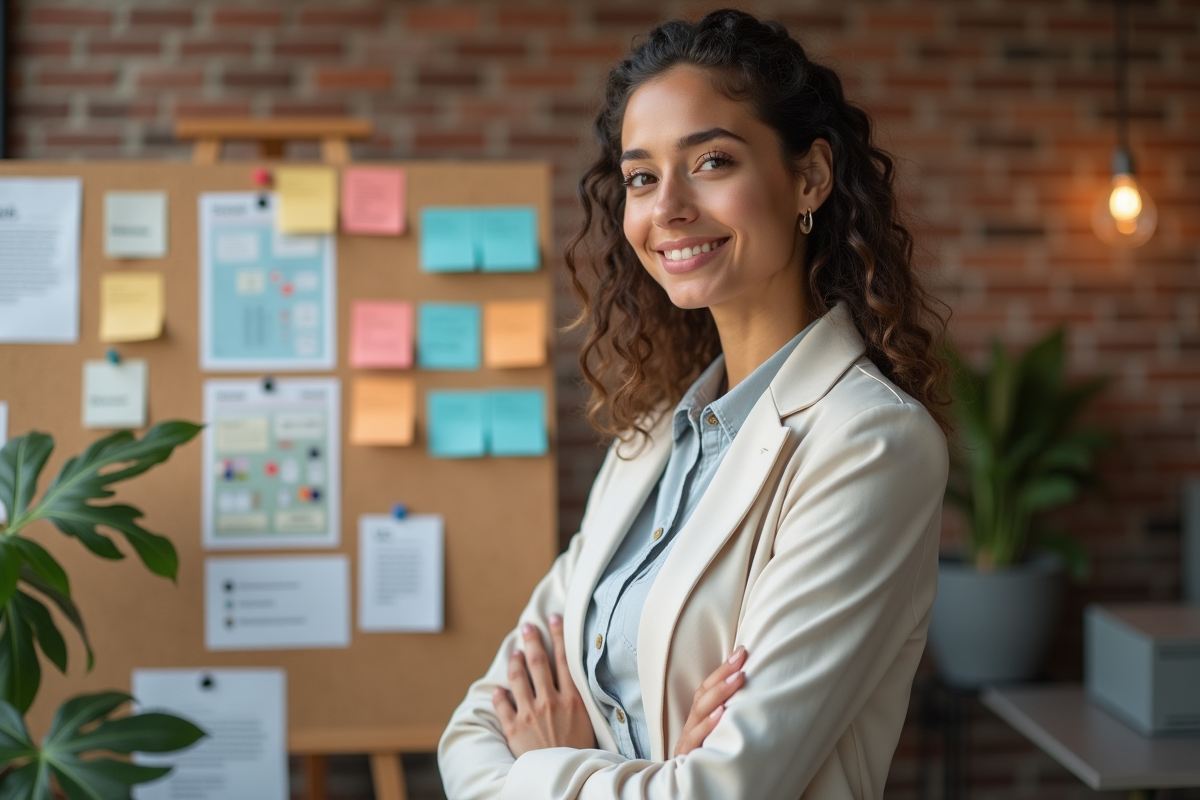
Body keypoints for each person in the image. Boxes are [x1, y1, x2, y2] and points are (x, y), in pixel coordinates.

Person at [438, 9, 950, 799]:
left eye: (711, 161)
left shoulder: (871, 443)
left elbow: (718, 790)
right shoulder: (651, 439)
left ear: (810, 178)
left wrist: (549, 764)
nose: (667, 207)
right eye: (642, 177)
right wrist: (652, 773)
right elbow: (469, 735)